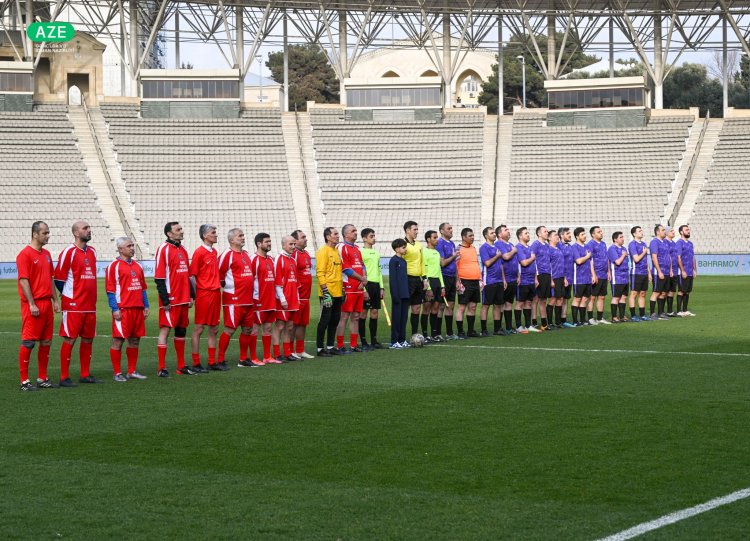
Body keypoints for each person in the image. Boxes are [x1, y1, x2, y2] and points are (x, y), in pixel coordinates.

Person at [55, 220, 101, 386]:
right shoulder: (69, 252)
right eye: (85, 228)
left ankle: (85, 374)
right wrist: (69, 296)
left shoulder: (93, 252)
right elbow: (59, 279)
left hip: (90, 305)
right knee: (70, 339)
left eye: (89, 227)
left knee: (88, 339)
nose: (89, 230)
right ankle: (64, 377)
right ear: (76, 233)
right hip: (74, 305)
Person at [16, 221, 60, 391]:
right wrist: (32, 304)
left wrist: (55, 300)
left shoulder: (47, 254)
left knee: (46, 341)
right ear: (35, 234)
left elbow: (50, 278)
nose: (47, 235)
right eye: (45, 233)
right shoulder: (25, 254)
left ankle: (42, 378)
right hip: (33, 306)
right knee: (28, 342)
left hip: (47, 304)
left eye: (48, 232)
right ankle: (24, 381)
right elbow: (24, 280)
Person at [154, 222, 195, 377]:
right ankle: (161, 368)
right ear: (169, 234)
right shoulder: (163, 249)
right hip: (171, 299)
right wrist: (165, 300)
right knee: (165, 330)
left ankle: (181, 366)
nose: (181, 231)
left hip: (184, 299)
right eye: (178, 230)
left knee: (181, 330)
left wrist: (191, 295)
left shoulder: (183, 250)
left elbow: (187, 275)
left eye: (181, 229)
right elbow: (159, 277)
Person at [106, 237, 149, 382]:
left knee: (135, 340)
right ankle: (117, 372)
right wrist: (114, 309)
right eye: (129, 246)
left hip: (137, 309)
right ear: (120, 249)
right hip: (123, 309)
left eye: (133, 245)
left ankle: (132, 371)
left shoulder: (138, 266)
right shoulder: (114, 266)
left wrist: (146, 305)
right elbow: (110, 290)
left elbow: (143, 288)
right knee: (118, 340)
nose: (132, 248)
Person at [217, 228, 255, 368]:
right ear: (232, 240)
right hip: (234, 300)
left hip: (248, 300)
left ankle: (243, 359)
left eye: (243, 235)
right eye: (240, 236)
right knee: (230, 329)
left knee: (247, 329)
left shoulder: (245, 254)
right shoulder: (227, 255)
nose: (243, 238)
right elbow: (219, 275)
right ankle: (220, 360)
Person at [189, 224, 221, 373]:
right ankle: (196, 363)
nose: (216, 235)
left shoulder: (214, 251)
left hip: (215, 293)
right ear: (205, 236)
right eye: (213, 233)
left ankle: (211, 362)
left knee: (214, 328)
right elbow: (192, 276)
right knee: (199, 328)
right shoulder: (199, 253)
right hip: (204, 294)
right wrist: (196, 295)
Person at [336, 224, 367, 354]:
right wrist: (362, 279)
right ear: (345, 234)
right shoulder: (342, 247)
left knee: (356, 316)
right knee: (344, 317)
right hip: (347, 287)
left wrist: (364, 279)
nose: (356, 233)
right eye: (353, 231)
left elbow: (362, 265)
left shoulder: (358, 249)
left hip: (359, 287)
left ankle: (354, 345)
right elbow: (345, 269)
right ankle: (340, 345)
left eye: (355, 230)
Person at [315, 227, 344, 357]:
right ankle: (320, 348)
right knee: (325, 320)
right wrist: (325, 291)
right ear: (328, 237)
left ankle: (331, 346)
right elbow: (320, 273)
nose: (338, 236)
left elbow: (338, 272)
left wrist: (342, 289)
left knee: (335, 320)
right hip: (328, 293)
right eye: (335, 234)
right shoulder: (323, 251)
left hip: (338, 292)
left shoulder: (336, 251)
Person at [251, 233, 278, 363]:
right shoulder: (253, 260)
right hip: (258, 300)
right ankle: (253, 357)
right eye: (267, 241)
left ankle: (267, 356)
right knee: (255, 329)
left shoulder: (271, 260)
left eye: (270, 241)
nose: (269, 244)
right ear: (259, 244)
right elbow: (248, 281)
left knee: (268, 328)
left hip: (270, 300)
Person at [273, 235, 300, 361]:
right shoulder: (279, 258)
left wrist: (297, 298)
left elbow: (295, 282)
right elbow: (277, 282)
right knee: (280, 326)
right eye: (290, 244)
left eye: (294, 244)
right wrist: (282, 299)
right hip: (283, 300)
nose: (293, 247)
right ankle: (277, 354)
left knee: (289, 326)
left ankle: (287, 353)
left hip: (293, 299)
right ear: (283, 245)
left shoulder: (293, 259)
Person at [359, 228, 385, 350]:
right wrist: (364, 290)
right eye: (371, 236)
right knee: (363, 313)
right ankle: (364, 342)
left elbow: (379, 271)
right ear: (364, 238)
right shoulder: (360, 252)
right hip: (366, 284)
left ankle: (374, 341)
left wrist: (382, 287)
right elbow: (360, 271)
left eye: (374, 235)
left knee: (374, 313)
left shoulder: (376, 253)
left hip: (376, 285)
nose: (374, 238)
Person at [291, 230, 315, 358]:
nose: (306, 239)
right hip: (298, 296)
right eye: (303, 237)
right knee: (293, 324)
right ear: (295, 241)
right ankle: (290, 350)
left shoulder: (306, 253)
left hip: (307, 296)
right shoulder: (293, 254)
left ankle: (300, 350)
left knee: (303, 323)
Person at [479, 227, 506, 336]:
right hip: (489, 281)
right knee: (486, 305)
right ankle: (484, 330)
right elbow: (487, 263)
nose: (494, 234)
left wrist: (504, 279)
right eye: (492, 233)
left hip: (499, 280)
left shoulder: (496, 247)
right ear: (486, 235)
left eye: (495, 232)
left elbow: (501, 265)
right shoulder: (483, 248)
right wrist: (498, 255)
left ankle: (497, 329)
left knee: (498, 305)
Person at [455, 228, 482, 338]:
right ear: (463, 237)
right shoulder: (458, 249)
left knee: (473, 306)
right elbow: (455, 266)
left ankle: (471, 331)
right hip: (464, 281)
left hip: (475, 281)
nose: (473, 237)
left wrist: (480, 279)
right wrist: (458, 281)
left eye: (473, 235)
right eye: (470, 235)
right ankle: (461, 332)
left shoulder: (474, 248)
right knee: (462, 307)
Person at [403, 221, 428, 336]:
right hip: (407, 279)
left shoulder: (418, 244)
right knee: (405, 308)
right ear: (408, 230)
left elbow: (422, 262)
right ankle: (401, 335)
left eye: (417, 229)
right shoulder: (403, 244)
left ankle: (414, 334)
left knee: (417, 308)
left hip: (418, 280)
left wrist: (425, 278)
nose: (417, 232)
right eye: (415, 230)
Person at [436, 223, 460, 339]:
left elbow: (454, 264)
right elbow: (442, 263)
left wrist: (457, 280)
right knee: (441, 305)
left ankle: (449, 333)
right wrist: (454, 256)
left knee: (450, 305)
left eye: (451, 228)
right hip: (444, 276)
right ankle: (438, 333)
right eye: (448, 228)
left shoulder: (451, 243)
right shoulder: (440, 243)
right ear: (441, 231)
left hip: (451, 277)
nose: (451, 230)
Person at [495, 225, 520, 334]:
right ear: (500, 234)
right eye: (506, 230)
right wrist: (514, 251)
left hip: (514, 279)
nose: (508, 231)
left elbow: (516, 261)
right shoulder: (498, 244)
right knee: (500, 303)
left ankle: (509, 327)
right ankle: (499, 328)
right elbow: (505, 257)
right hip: (504, 279)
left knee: (509, 303)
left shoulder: (511, 245)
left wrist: (518, 275)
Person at [423, 230, 446, 341]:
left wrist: (442, 286)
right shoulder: (424, 252)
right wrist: (428, 287)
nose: (437, 239)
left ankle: (434, 334)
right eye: (435, 237)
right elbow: (425, 270)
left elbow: (439, 270)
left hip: (437, 281)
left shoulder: (437, 253)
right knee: (426, 308)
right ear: (428, 239)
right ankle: (425, 334)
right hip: (429, 282)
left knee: (436, 309)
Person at [585, 226, 611, 325]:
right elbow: (590, 260)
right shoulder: (590, 244)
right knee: (592, 297)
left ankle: (600, 318)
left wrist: (608, 271)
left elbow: (606, 258)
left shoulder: (604, 244)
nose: (601, 233)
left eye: (601, 231)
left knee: (601, 297)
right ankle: (591, 318)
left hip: (604, 274)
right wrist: (593, 274)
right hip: (596, 274)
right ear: (593, 234)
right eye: (598, 232)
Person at [388, 238, 410, 348]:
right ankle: (394, 341)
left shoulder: (404, 261)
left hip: (405, 294)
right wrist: (395, 295)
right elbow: (393, 280)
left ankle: (402, 339)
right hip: (398, 294)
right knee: (396, 318)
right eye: (403, 247)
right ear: (397, 249)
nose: (405, 249)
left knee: (403, 318)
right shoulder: (393, 261)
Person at [515, 227, 537, 333]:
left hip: (531, 280)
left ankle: (528, 325)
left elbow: (534, 265)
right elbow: (524, 263)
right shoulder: (518, 247)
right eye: (526, 233)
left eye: (528, 233)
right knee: (520, 303)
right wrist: (532, 258)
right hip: (523, 280)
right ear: (520, 236)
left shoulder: (530, 247)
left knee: (528, 302)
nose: (528, 235)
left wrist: (536, 278)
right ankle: (519, 326)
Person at [571, 227, 594, 327]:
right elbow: (578, 261)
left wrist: (593, 275)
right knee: (577, 299)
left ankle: (582, 320)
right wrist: (587, 256)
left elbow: (591, 262)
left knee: (585, 299)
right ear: (577, 236)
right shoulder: (574, 247)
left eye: (585, 234)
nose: (584, 236)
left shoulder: (587, 247)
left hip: (587, 277)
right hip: (578, 278)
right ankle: (575, 321)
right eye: (582, 234)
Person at [530, 226, 552, 330]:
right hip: (539, 274)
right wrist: (535, 277)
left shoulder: (547, 245)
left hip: (547, 274)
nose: (547, 233)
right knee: (536, 299)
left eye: (547, 231)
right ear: (539, 234)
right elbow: (532, 260)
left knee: (543, 300)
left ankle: (544, 323)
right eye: (545, 231)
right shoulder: (535, 245)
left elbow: (549, 261)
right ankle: (534, 322)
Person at [627, 226, 650, 321]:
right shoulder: (632, 244)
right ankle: (633, 315)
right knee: (634, 294)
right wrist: (644, 252)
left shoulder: (644, 243)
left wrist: (649, 272)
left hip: (644, 272)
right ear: (634, 234)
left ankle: (642, 314)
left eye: (641, 230)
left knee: (643, 293)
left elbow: (646, 260)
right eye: (639, 231)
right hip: (636, 273)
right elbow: (636, 259)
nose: (642, 232)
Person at [649, 224, 671, 320]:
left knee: (663, 293)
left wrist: (670, 270)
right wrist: (659, 271)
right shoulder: (654, 242)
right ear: (657, 232)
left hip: (666, 271)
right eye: (662, 230)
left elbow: (668, 256)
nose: (664, 231)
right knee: (656, 292)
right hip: (659, 272)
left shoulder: (665, 242)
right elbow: (654, 257)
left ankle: (661, 312)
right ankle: (652, 313)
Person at [607, 231, 630, 323]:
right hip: (617, 277)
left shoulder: (624, 248)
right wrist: (624, 255)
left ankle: (622, 316)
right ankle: (614, 317)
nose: (623, 238)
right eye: (621, 237)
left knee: (623, 297)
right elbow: (617, 262)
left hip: (625, 276)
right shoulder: (612, 249)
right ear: (615, 239)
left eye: (623, 237)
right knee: (616, 297)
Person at [675, 225, 697, 317]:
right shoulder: (679, 243)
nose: (688, 231)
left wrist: (694, 270)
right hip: (682, 271)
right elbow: (678, 257)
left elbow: (693, 257)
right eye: (686, 230)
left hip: (690, 271)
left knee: (687, 291)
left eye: (689, 230)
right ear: (681, 232)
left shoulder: (690, 243)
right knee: (681, 291)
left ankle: (685, 310)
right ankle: (679, 311)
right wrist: (682, 270)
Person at [548, 230, 567, 329]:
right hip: (554, 278)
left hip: (560, 277)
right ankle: (550, 323)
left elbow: (562, 265)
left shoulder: (559, 249)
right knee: (553, 299)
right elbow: (548, 266)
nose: (557, 237)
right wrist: (550, 279)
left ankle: (558, 322)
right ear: (549, 238)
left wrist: (564, 278)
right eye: (555, 235)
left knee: (560, 299)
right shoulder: (549, 250)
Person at [558, 227, 575, 327]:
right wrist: (563, 277)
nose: (570, 235)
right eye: (567, 233)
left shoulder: (570, 246)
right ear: (561, 235)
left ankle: (563, 320)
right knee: (559, 299)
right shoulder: (558, 246)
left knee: (566, 299)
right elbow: (559, 263)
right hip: (561, 277)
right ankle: (558, 320)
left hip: (570, 277)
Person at [664, 227, 680, 316]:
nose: (673, 232)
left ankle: (669, 311)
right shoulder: (664, 243)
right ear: (666, 233)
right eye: (671, 231)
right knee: (664, 291)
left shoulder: (674, 243)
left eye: (673, 231)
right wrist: (670, 269)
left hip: (675, 270)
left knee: (672, 291)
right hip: (667, 271)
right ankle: (661, 311)